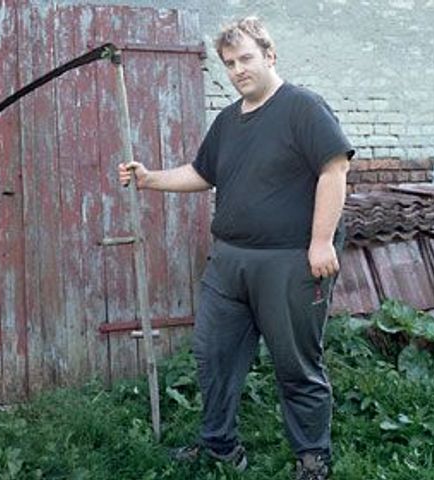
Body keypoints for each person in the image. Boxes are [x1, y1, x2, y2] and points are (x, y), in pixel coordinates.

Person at [118, 16, 353, 480]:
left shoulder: (302, 107)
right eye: (229, 63)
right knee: (214, 355)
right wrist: (149, 179)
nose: (238, 70)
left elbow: (334, 170)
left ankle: (312, 456)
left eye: (246, 58)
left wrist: (321, 241)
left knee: (296, 364)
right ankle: (220, 445)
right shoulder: (228, 121)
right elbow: (202, 173)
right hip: (228, 261)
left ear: (269, 55)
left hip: (289, 261)